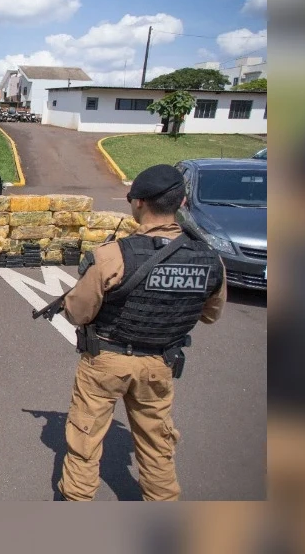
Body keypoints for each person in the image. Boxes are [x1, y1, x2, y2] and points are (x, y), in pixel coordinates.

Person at [57, 164, 225, 501]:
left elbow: (77, 312)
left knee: (84, 443)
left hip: (106, 361)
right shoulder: (209, 259)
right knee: (157, 447)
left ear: (139, 203)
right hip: (159, 365)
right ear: (181, 203)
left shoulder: (113, 255)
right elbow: (211, 314)